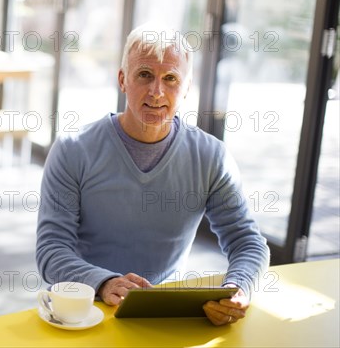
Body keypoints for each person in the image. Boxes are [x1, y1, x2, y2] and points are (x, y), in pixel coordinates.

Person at [36, 24, 270, 326]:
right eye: (144, 75)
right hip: (85, 311)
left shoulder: (212, 156)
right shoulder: (72, 150)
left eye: (170, 79)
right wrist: (105, 283)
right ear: (123, 80)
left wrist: (237, 288)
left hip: (162, 315)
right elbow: (51, 250)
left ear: (185, 88)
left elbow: (248, 243)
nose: (156, 91)